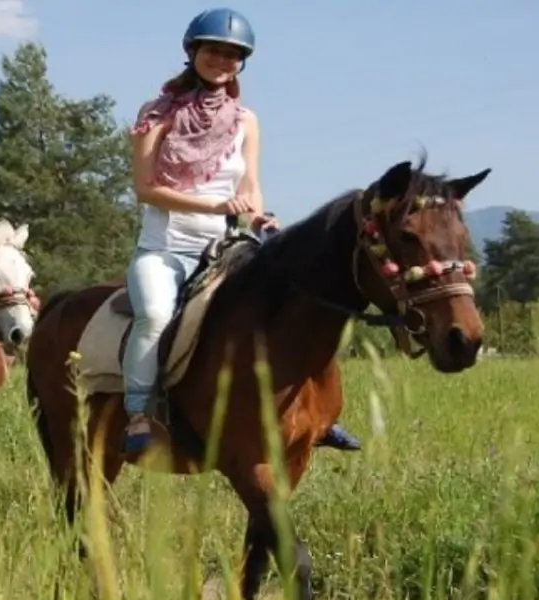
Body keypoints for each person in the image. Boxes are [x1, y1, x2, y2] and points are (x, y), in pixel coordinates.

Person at [121, 7, 361, 455]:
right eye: (214, 50)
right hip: (164, 249)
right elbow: (146, 189)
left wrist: (258, 215)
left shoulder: (245, 120)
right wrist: (214, 204)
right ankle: (139, 412)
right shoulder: (155, 114)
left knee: (294, 307)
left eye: (233, 55)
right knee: (153, 314)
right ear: (193, 51)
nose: (222, 60)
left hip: (225, 247)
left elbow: (248, 186)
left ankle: (320, 414)